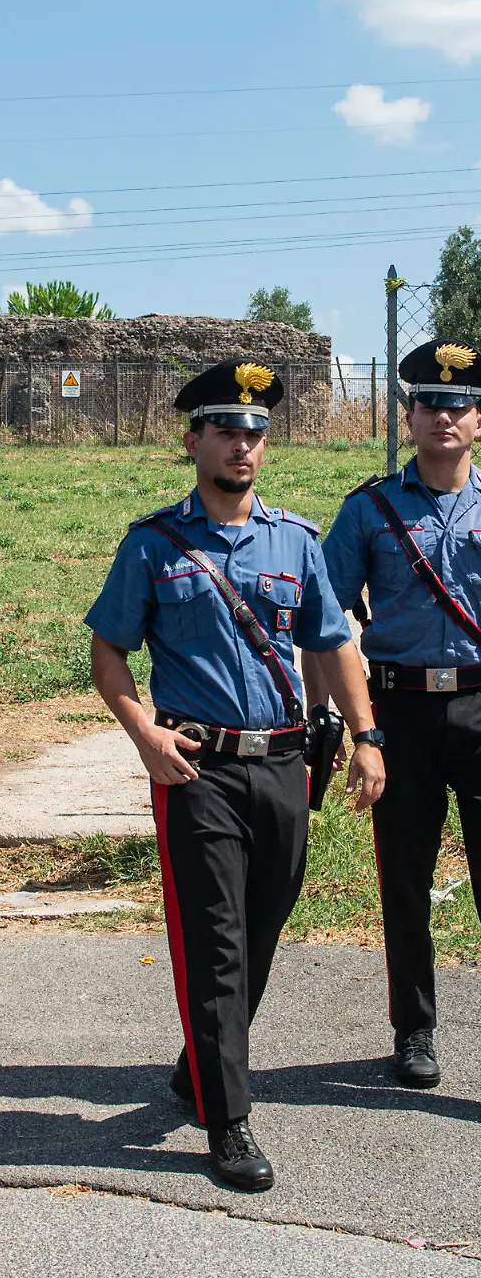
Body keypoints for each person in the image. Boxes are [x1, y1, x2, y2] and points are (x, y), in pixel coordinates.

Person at [85, 358, 385, 1191]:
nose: (243, 444)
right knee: (216, 943)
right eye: (226, 429)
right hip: (196, 768)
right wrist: (141, 729)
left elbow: (332, 641)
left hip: (284, 764)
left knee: (262, 927)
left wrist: (366, 735)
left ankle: (198, 1067)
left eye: (255, 431)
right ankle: (229, 1119)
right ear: (192, 440)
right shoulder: (153, 543)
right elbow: (109, 648)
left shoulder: (296, 540)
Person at [305, 339, 481, 1090]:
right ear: (408, 414)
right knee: (404, 881)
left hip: (479, 703)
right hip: (400, 709)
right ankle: (414, 1030)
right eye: (430, 403)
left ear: (480, 418)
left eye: (459, 403)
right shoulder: (369, 509)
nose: (444, 416)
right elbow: (324, 614)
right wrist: (339, 717)